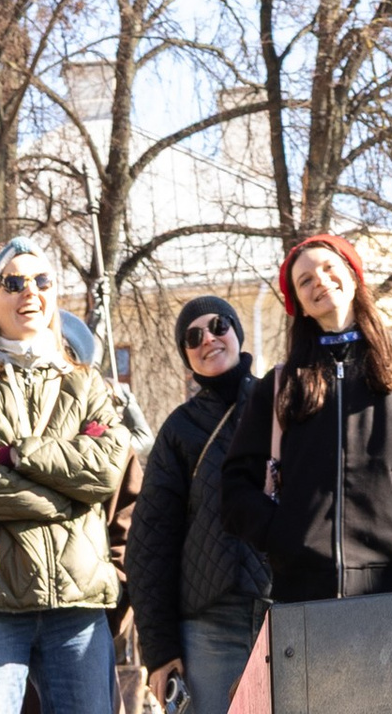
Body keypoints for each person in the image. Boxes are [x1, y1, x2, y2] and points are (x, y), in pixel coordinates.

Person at [0, 235, 130, 714]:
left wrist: (20, 456)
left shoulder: (87, 384)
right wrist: (66, 501)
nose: (29, 292)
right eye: (12, 283)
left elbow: (104, 472)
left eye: (42, 280)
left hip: (77, 601)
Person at [218, 234, 392, 606]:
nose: (319, 281)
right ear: (300, 306)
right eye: (305, 280)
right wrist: (283, 535)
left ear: (353, 278)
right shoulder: (277, 387)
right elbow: (234, 490)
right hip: (302, 593)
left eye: (328, 268)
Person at [126, 300, 268, 713]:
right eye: (193, 336)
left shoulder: (284, 404)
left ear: (236, 333)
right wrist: (160, 649)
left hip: (287, 611)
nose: (208, 338)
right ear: (187, 356)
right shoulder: (179, 430)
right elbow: (150, 546)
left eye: (218, 325)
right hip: (210, 627)